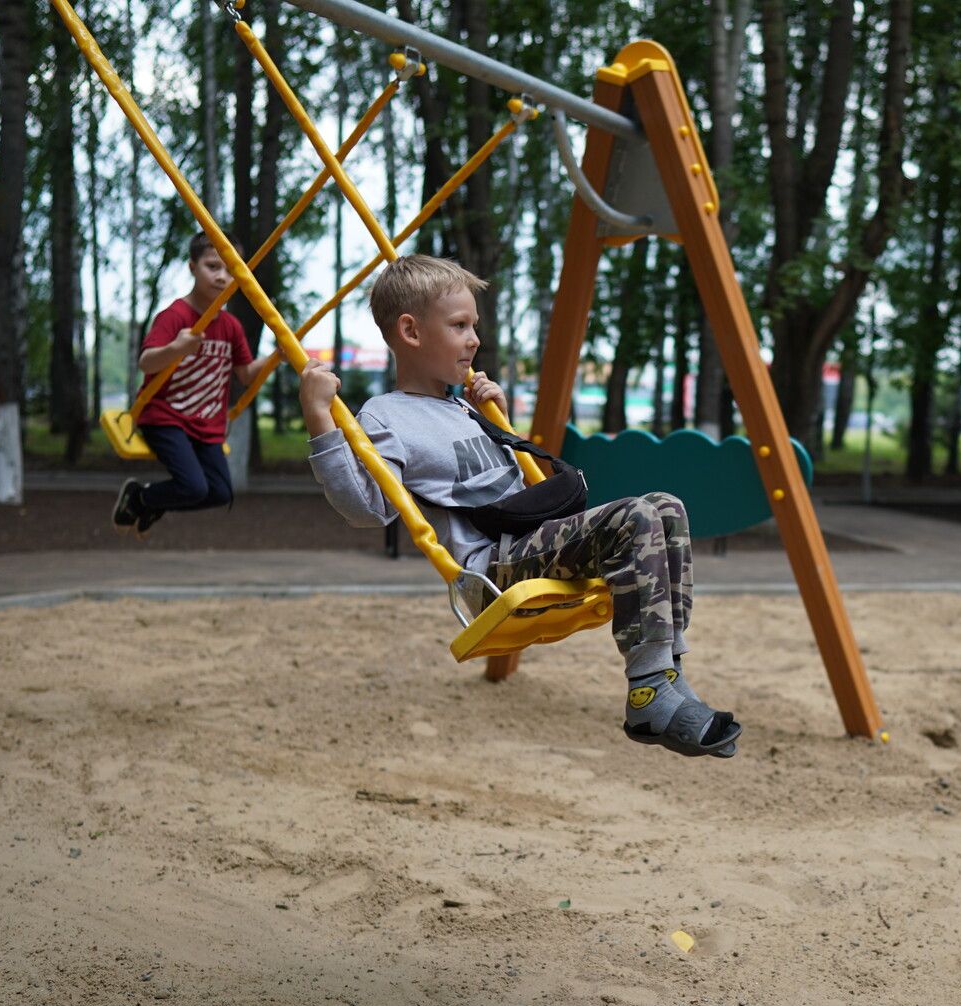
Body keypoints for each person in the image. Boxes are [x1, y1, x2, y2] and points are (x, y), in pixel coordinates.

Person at [299, 254, 740, 759]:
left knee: (666, 507)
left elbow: (513, 489)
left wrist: (501, 423)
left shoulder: (461, 405)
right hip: (495, 568)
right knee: (634, 517)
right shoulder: (386, 416)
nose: (474, 339)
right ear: (411, 331)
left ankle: (667, 676)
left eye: (474, 326)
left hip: (528, 543)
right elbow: (366, 510)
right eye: (460, 326)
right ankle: (647, 691)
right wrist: (320, 420)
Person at [112, 234, 278, 536]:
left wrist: (275, 355)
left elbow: (245, 374)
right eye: (212, 266)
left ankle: (148, 500)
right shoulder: (175, 316)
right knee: (192, 486)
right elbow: (146, 362)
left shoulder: (230, 326)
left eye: (230, 270)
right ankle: (140, 498)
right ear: (192, 267)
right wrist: (176, 349)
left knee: (220, 493)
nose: (222, 276)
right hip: (166, 417)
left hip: (207, 424)